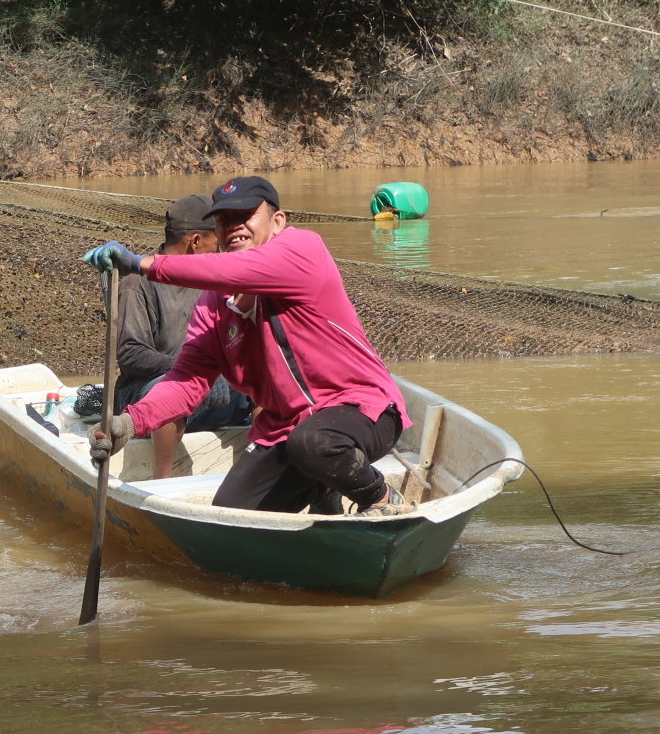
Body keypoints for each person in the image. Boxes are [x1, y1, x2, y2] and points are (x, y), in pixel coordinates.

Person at [81, 176, 414, 516]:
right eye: (224, 220)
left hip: (361, 410)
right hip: (288, 430)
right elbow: (186, 381)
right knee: (232, 514)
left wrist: (139, 263)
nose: (234, 226)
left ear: (278, 221)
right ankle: (323, 487)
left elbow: (231, 269)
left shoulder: (304, 249)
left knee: (315, 442)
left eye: (246, 216)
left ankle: (379, 496)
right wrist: (129, 422)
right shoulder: (212, 306)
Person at [114, 193, 253, 479]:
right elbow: (130, 353)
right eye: (216, 244)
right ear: (195, 242)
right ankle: (162, 480)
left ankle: (258, 469)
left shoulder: (215, 278)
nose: (220, 252)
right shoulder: (136, 283)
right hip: (146, 391)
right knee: (169, 387)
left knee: (267, 377)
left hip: (211, 388)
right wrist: (189, 373)